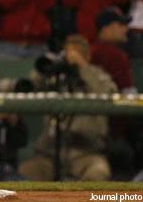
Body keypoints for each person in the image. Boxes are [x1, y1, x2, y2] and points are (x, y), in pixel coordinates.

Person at [19, 34, 117, 181]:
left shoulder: (97, 75)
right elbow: (27, 88)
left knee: (98, 172)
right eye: (68, 53)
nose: (70, 58)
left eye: (76, 54)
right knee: (27, 172)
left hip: (86, 154)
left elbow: (109, 93)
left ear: (87, 57)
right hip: (50, 154)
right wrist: (48, 68)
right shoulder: (56, 77)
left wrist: (82, 68)